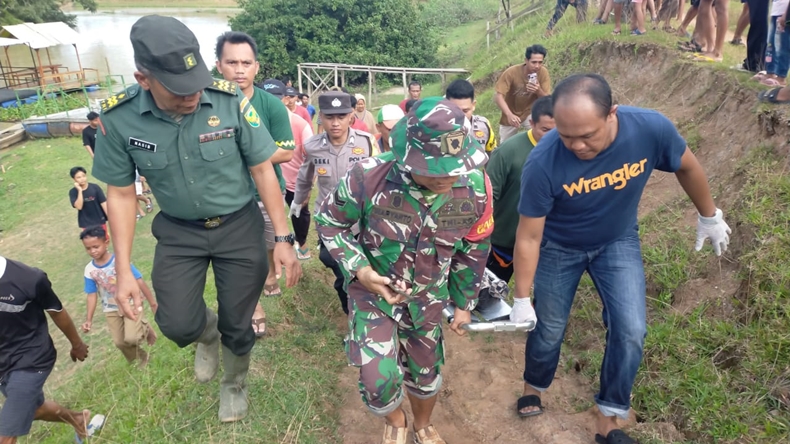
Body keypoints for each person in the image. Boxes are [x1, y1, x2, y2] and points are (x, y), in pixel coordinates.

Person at [92, 15, 301, 423]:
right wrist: (122, 269)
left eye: (197, 81)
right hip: (178, 232)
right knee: (177, 324)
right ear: (144, 78)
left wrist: (283, 237)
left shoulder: (226, 99)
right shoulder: (118, 119)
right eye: (179, 89)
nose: (192, 95)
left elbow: (262, 168)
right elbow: (119, 194)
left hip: (238, 227)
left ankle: (234, 384)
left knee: (240, 323)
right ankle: (208, 335)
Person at [511, 74, 731, 444]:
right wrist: (520, 298)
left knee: (631, 330)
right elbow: (529, 235)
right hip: (559, 248)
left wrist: (709, 215)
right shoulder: (543, 161)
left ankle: (609, 416)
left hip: (617, 241)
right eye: (566, 136)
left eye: (586, 135)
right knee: (548, 328)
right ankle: (534, 384)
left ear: (612, 113)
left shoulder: (649, 129)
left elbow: (687, 165)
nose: (576, 145)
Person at [314, 97, 492, 444]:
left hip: (429, 300)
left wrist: (464, 303)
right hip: (373, 295)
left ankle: (422, 424)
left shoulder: (475, 188)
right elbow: (329, 223)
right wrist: (361, 269)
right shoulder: (368, 176)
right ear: (410, 155)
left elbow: (474, 247)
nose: (448, 176)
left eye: (455, 166)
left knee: (426, 376)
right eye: (436, 168)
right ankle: (395, 419)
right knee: (376, 381)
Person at [215, 31, 296, 338]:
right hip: (228, 197)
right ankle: (254, 306)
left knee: (269, 244)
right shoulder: (208, 104)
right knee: (239, 256)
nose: (239, 69)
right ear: (219, 65)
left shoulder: (271, 106)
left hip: (266, 191)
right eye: (231, 62)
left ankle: (270, 274)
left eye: (246, 63)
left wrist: (245, 153)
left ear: (256, 67)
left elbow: (286, 150)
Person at [290, 91, 377, 315]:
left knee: (363, 268)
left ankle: (363, 310)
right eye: (330, 117)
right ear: (321, 117)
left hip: (361, 220)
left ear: (351, 116)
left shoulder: (366, 143)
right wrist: (298, 202)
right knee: (337, 265)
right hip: (330, 221)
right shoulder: (312, 146)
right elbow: (304, 176)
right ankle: (351, 310)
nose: (335, 123)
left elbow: (379, 178)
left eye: (341, 116)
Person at [0, 256, 102, 443]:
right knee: (34, 408)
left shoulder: (28, 278)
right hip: (3, 363)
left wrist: (77, 344)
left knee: (5, 434)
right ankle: (78, 419)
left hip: (32, 358)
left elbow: (56, 311)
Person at [486, 96, 554, 285]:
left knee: (543, 303)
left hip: (547, 245)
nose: (552, 137)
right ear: (531, 123)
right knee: (487, 298)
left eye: (559, 130)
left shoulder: (569, 150)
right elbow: (488, 198)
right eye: (545, 130)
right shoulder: (509, 151)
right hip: (504, 243)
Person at [80, 225, 157, 366]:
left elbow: (138, 279)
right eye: (88, 248)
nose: (92, 251)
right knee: (120, 343)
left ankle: (145, 327)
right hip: (111, 309)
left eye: (96, 246)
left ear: (106, 242)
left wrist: (152, 303)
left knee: (132, 339)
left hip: (131, 303)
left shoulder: (119, 261)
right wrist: (89, 320)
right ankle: (142, 358)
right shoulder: (89, 270)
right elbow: (91, 295)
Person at [275, 83, 316, 260]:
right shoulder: (254, 123)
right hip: (268, 181)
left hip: (295, 181)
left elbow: (313, 157)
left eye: (276, 98)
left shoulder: (300, 124)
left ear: (284, 99)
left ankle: (302, 242)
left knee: (300, 213)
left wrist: (308, 187)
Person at [494, 45, 551, 142]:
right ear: (526, 60)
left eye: (540, 62)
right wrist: (509, 115)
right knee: (505, 144)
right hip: (510, 111)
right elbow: (498, 96)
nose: (537, 66)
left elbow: (548, 99)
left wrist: (538, 91)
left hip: (530, 112)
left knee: (544, 137)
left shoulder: (543, 73)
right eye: (533, 62)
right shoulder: (511, 72)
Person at [444, 79, 496, 153]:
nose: (461, 116)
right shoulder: (437, 129)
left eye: (465, 111)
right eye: (456, 111)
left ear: (473, 105)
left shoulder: (483, 126)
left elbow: (491, 154)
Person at [754, 0, 790, 87]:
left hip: (786, 12)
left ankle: (781, 77)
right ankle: (770, 73)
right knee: (771, 44)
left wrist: (786, 15)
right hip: (776, 10)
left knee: (782, 46)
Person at [69, 166, 108, 231]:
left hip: (100, 221)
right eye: (78, 177)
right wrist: (80, 191)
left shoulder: (95, 188)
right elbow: (79, 207)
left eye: (83, 176)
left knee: (104, 240)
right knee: (90, 241)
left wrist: (111, 218)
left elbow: (104, 203)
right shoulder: (73, 192)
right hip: (86, 224)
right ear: (74, 179)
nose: (82, 179)